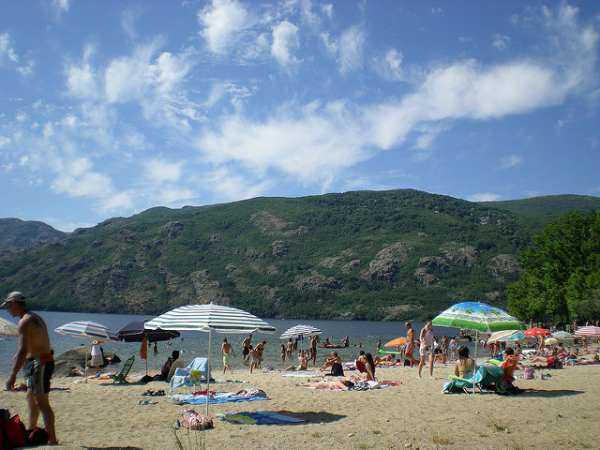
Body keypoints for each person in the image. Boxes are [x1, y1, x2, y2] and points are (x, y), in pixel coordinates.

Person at [3, 291, 58, 445]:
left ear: (14, 303)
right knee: (30, 398)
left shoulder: (25, 321)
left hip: (40, 363)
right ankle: (31, 431)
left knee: (42, 403)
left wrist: (13, 375)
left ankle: (52, 440)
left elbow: (22, 350)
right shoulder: (34, 317)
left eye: (8, 305)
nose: (7, 309)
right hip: (38, 362)